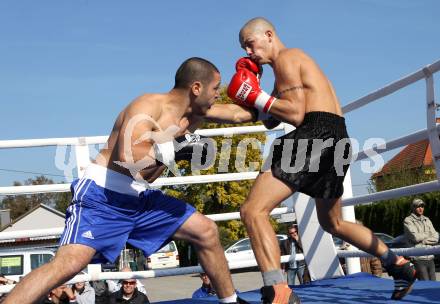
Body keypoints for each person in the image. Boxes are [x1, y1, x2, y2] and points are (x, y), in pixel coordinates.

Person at [3, 57, 256, 304]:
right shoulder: (148, 106)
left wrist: (264, 94)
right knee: (67, 264)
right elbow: (127, 159)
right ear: (196, 88)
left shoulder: (196, 113)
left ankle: (230, 300)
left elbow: (238, 114)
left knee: (206, 231)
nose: (218, 94)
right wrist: (175, 147)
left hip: (140, 198)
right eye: (215, 88)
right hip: (103, 196)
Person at [226, 17, 417, 303]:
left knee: (253, 211)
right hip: (338, 138)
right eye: (244, 48)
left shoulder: (288, 58)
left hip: (315, 133)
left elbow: (294, 114)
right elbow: (267, 119)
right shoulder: (287, 72)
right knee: (333, 223)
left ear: (268, 35)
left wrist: (257, 95)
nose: (248, 53)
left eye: (250, 44)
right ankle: (397, 264)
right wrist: (215, 108)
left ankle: (278, 291)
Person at [404, 198, 439, 281]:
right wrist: (428, 234)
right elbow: (415, 238)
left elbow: (436, 237)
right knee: (425, 284)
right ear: (413, 208)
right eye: (418, 206)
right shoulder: (408, 220)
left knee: (434, 285)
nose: (421, 208)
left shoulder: (427, 220)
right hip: (418, 258)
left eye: (422, 206)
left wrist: (423, 240)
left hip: (430, 256)